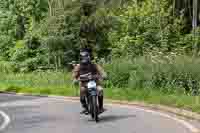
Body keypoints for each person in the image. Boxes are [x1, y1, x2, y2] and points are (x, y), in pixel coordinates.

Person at [72, 49, 107, 115]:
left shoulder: (94, 65)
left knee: (100, 90)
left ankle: (101, 107)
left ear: (89, 56)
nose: (85, 58)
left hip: (95, 83)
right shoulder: (78, 66)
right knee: (81, 92)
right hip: (84, 84)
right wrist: (75, 79)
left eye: (86, 56)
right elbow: (74, 74)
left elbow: (101, 71)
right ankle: (85, 107)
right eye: (83, 57)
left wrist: (104, 75)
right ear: (81, 58)